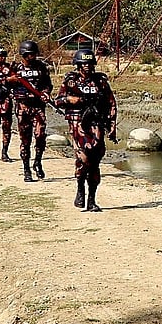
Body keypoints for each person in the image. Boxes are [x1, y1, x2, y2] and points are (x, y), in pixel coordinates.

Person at [57, 49, 118, 212]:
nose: (88, 67)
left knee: (95, 163)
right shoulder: (71, 81)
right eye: (84, 64)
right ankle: (80, 188)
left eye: (90, 64)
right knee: (83, 158)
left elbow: (111, 103)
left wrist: (112, 126)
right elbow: (58, 100)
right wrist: (70, 100)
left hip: (97, 123)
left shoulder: (101, 81)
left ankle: (92, 200)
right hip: (77, 123)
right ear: (78, 65)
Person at [9, 40, 53, 182]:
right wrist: (10, 81)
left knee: (40, 135)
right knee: (25, 139)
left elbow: (48, 84)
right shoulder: (14, 68)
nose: (32, 57)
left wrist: (46, 93)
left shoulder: (41, 67)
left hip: (38, 106)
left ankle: (38, 162)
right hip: (22, 107)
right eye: (29, 55)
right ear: (23, 54)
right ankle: (26, 169)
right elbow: (3, 82)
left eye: (34, 54)